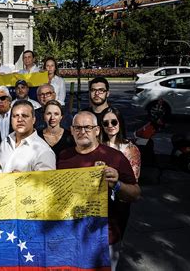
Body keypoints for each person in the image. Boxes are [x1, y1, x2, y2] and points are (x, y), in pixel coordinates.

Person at [57, 111, 140, 271]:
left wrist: (116, 184)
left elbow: (135, 194)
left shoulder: (114, 157)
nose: (82, 132)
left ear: (97, 131)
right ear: (72, 130)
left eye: (88, 127)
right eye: (78, 128)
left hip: (104, 236)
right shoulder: (63, 156)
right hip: (71, 235)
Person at [0, 100, 56, 172]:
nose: (19, 119)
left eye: (25, 116)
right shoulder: (5, 143)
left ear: (33, 120)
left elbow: (46, 182)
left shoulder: (44, 152)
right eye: (15, 116)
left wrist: (24, 180)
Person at [100, 107, 141, 180]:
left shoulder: (131, 149)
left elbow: (134, 178)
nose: (110, 126)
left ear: (120, 123)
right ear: (102, 126)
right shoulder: (98, 146)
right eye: (105, 123)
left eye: (114, 122)